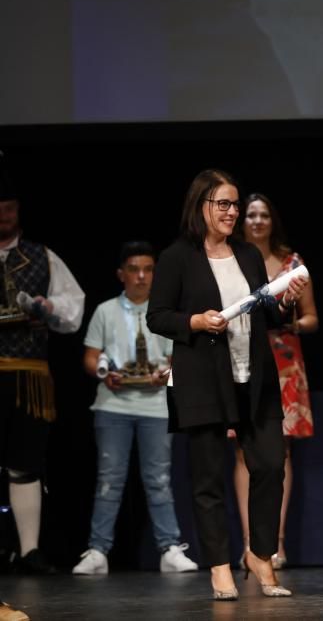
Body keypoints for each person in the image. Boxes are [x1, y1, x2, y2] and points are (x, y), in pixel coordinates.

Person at [147, 169, 307, 600]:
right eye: (224, 204)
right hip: (202, 380)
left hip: (253, 377)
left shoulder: (247, 254)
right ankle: (219, 566)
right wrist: (195, 321)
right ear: (201, 206)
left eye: (235, 204)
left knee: (271, 465)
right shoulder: (178, 256)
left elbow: (264, 313)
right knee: (208, 478)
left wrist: (284, 302)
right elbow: (157, 315)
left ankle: (259, 554)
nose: (232, 212)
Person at [72, 241, 199, 576]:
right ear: (121, 274)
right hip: (113, 405)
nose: (141, 276)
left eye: (148, 269)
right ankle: (98, 549)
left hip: (156, 406)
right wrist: (104, 372)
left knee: (158, 479)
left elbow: (178, 359)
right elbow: (89, 355)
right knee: (109, 480)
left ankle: (169, 547)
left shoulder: (165, 312)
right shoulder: (105, 311)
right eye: (134, 269)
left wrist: (166, 374)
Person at [0, 157, 84, 575]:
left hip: (28, 376)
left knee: (25, 461)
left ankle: (30, 550)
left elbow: (73, 309)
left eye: (10, 209)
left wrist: (49, 308)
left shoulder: (41, 257)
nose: (4, 215)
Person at [234, 193, 319, 570]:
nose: (256, 220)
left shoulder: (291, 263)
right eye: (250, 214)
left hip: (283, 360)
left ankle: (276, 544)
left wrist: (292, 323)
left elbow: (312, 318)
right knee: (242, 451)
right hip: (242, 359)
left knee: (280, 452)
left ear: (272, 221)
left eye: (263, 214)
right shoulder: (228, 260)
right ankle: (251, 544)